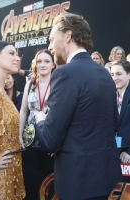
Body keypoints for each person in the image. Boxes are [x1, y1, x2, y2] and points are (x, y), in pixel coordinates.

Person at [34, 13, 122, 200]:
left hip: (78, 183)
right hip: (106, 178)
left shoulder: (65, 73)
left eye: (51, 39)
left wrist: (40, 120)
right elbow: (113, 124)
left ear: (68, 36)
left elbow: (50, 140)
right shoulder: (105, 74)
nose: (49, 46)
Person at [19, 49, 55, 200]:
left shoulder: (58, 84)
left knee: (50, 183)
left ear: (53, 64)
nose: (43, 64)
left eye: (47, 61)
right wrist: (20, 135)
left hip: (50, 139)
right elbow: (23, 111)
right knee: (32, 181)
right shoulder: (30, 84)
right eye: (39, 61)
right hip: (30, 140)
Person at [0, 40, 25, 199]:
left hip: (11, 173)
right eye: (11, 53)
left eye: (17, 54)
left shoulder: (2, 92)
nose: (17, 58)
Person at [110, 60, 130, 164]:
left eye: (119, 74)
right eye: (112, 74)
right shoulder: (109, 96)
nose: (114, 78)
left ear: (129, 75)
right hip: (112, 153)